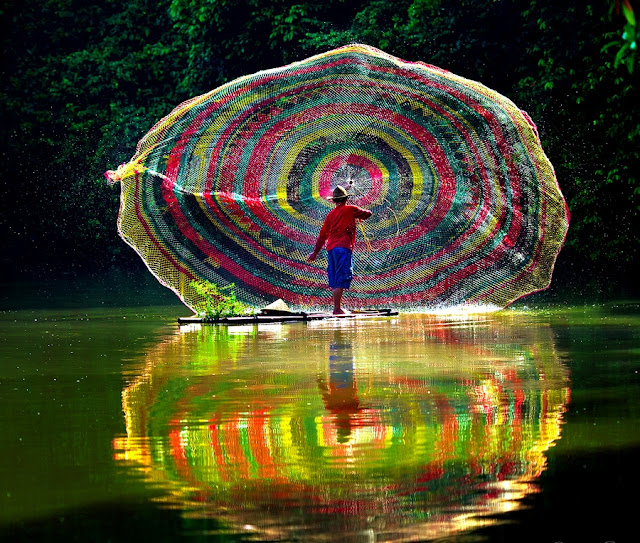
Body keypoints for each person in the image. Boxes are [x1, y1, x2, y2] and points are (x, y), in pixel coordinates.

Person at [307, 185, 372, 314]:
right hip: (343, 248)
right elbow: (368, 214)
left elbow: (322, 236)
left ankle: (337, 307)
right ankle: (337, 309)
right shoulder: (351, 209)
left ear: (334, 201)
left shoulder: (330, 215)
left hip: (331, 249)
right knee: (342, 275)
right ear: (346, 199)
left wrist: (315, 253)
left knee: (336, 276)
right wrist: (357, 214)